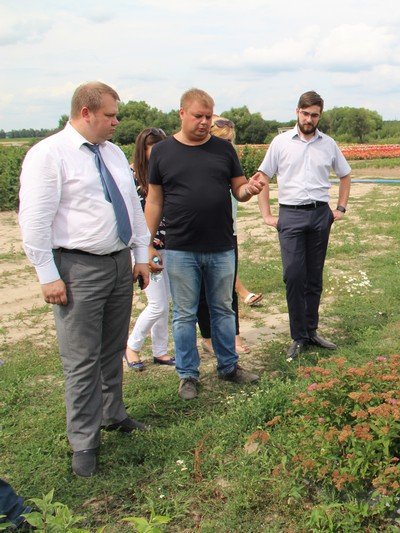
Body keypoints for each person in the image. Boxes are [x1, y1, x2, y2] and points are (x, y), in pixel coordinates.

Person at [18, 81, 152, 477]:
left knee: (111, 349)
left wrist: (140, 256)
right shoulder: (49, 155)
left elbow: (131, 206)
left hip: (118, 264)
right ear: (86, 113)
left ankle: (113, 414)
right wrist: (48, 276)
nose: (116, 122)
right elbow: (34, 220)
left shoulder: (112, 153)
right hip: (77, 268)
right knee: (81, 360)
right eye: (110, 115)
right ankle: (84, 442)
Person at [144, 88, 264, 400]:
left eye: (208, 116)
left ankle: (229, 366)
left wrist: (250, 189)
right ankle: (187, 375)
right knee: (184, 314)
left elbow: (239, 189)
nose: (204, 122)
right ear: (182, 113)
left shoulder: (223, 150)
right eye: (198, 116)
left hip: (221, 246)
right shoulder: (163, 152)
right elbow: (154, 201)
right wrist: (148, 244)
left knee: (223, 309)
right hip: (180, 249)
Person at [253, 91, 352, 361]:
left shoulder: (328, 144)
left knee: (314, 276)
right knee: (294, 275)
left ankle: (311, 331)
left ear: (320, 116)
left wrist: (340, 208)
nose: (309, 119)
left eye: (314, 115)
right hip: (291, 215)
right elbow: (262, 177)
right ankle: (298, 336)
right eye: (305, 113)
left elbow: (345, 175)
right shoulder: (281, 142)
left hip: (320, 214)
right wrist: (266, 214)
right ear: (297, 111)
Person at [197, 116, 257, 355]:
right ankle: (208, 338)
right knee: (202, 291)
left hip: (227, 232)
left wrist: (249, 189)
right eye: (223, 139)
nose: (228, 144)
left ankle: (234, 335)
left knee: (228, 288)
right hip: (198, 234)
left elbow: (240, 192)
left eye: (231, 140)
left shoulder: (230, 161)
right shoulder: (198, 159)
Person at [125, 128, 175, 370]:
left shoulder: (163, 172)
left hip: (168, 244)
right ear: (142, 151)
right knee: (157, 304)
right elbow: (133, 216)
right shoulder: (130, 176)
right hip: (145, 248)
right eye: (152, 150)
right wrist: (145, 247)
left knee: (166, 301)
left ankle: (160, 351)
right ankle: (131, 347)